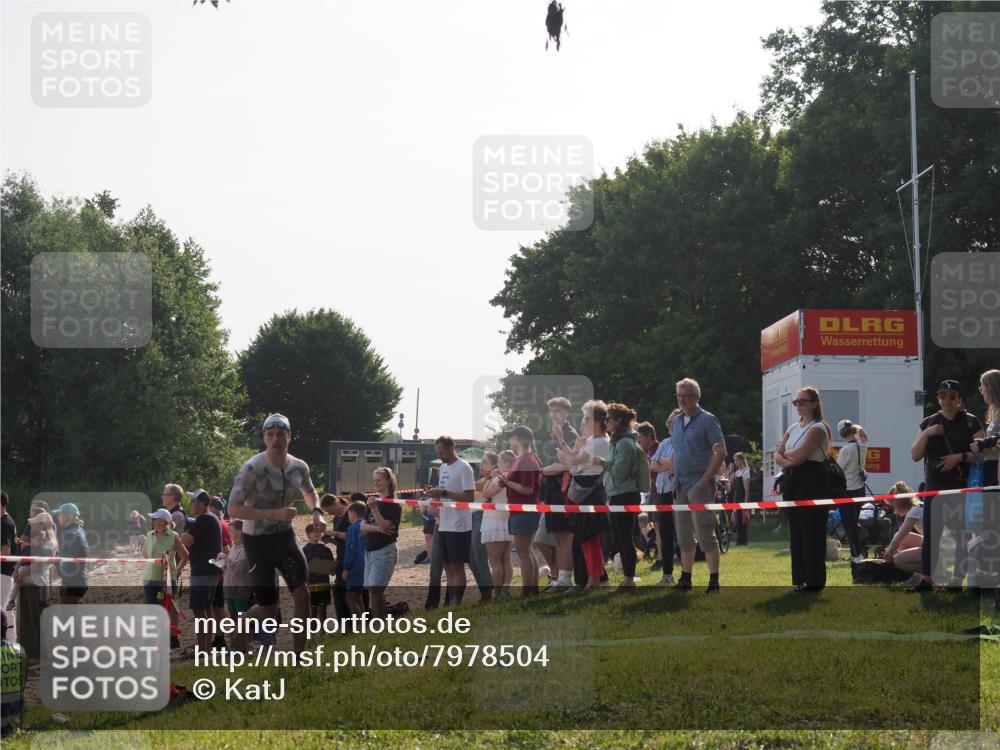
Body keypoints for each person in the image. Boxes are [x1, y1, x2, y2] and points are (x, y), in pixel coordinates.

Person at [228, 413, 320, 653]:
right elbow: (233, 509)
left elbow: (310, 492)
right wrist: (273, 514)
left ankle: (299, 658)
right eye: (270, 435)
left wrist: (317, 512)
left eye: (280, 434)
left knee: (303, 594)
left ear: (290, 437)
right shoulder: (252, 468)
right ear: (264, 438)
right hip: (257, 541)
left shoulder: (299, 467)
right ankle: (242, 626)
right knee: (269, 610)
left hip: (285, 537)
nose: (276, 439)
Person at [909, 380, 985, 592]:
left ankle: (956, 581)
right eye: (943, 395)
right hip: (934, 486)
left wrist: (959, 457)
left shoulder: (970, 422)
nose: (947, 400)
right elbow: (915, 455)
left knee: (962, 535)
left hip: (961, 486)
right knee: (931, 534)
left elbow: (984, 454)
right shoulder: (928, 423)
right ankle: (927, 579)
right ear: (938, 399)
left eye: (952, 396)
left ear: (960, 400)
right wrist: (927, 433)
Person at [775, 386, 833, 593]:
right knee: (797, 533)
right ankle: (800, 581)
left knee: (812, 533)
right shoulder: (793, 428)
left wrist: (788, 455)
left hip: (813, 481)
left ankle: (814, 582)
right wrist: (790, 459)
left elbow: (800, 455)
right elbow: (778, 455)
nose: (798, 405)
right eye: (796, 402)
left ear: (814, 404)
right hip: (793, 480)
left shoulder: (819, 427)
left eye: (803, 401)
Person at [672, 378, 727, 593]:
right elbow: (677, 451)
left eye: (686, 395)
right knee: (683, 533)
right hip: (680, 485)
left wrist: (704, 481)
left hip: (699, 484)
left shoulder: (707, 420)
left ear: (696, 397)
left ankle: (714, 581)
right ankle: (686, 577)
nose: (682, 399)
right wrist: (675, 475)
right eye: (679, 395)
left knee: (705, 532)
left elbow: (721, 452)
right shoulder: (676, 421)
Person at [558, 399, 611, 593]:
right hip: (583, 492)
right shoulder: (591, 441)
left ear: (599, 421)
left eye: (587, 419)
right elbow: (571, 463)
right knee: (582, 539)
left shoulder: (601, 442)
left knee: (589, 539)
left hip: (591, 493)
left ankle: (593, 582)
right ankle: (591, 580)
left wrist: (561, 440)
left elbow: (571, 461)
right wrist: (574, 449)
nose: (583, 423)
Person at [424, 437, 477, 606]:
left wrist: (445, 493)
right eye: (438, 453)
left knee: (457, 565)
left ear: (452, 448)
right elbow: (444, 492)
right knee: (447, 566)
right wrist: (436, 494)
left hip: (459, 523)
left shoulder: (464, 467)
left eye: (442, 453)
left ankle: (456, 602)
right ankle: (451, 602)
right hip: (443, 522)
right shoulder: (443, 467)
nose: (440, 456)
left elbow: (469, 497)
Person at [599, 403, 643, 590]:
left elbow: (619, 472)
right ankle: (628, 578)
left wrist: (601, 462)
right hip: (617, 495)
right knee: (619, 539)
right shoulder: (618, 441)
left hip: (625, 495)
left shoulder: (625, 443)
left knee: (625, 539)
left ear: (618, 421)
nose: (605, 422)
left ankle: (629, 579)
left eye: (608, 418)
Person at [541, 396, 579, 593]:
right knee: (557, 537)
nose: (554, 414)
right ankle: (561, 578)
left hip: (563, 492)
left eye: (558, 411)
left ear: (567, 413)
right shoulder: (553, 435)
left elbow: (568, 464)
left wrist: (544, 470)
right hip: (552, 491)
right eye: (551, 411)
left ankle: (565, 579)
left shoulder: (570, 434)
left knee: (565, 537)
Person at [180, 490, 224, 655]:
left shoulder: (204, 519)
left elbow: (185, 540)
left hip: (203, 571)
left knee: (200, 611)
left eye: (192, 501)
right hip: (209, 570)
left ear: (201, 504)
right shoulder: (209, 518)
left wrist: (180, 534)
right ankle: (206, 649)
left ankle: (203, 650)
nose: (190, 504)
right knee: (206, 610)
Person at [501, 426, 543, 596]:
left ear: (521, 439)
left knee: (523, 553)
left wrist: (507, 482)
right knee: (527, 552)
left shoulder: (526, 460)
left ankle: (527, 591)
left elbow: (527, 489)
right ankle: (532, 589)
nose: (510, 441)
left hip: (524, 510)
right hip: (523, 510)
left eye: (512, 437)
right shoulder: (525, 459)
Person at [971, 369, 1000, 594]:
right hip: (989, 471)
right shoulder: (995, 413)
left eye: (983, 385)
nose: (980, 390)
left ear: (992, 387)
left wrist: (985, 444)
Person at [14, 512, 57, 661]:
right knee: (26, 621)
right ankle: (29, 653)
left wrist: (20, 574)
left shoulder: (48, 543)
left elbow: (38, 566)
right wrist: (17, 572)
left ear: (42, 525)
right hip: (27, 584)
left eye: (35, 523)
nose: (31, 526)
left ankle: (38, 654)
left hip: (35, 586)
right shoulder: (39, 541)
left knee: (34, 621)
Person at [143, 508, 187, 649]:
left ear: (164, 521)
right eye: (154, 519)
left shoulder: (173, 535)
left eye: (156, 519)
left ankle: (173, 637)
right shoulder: (149, 535)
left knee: (170, 607)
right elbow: (144, 554)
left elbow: (185, 555)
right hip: (150, 578)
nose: (154, 521)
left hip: (167, 579)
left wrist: (176, 572)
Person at [361, 467, 402, 618]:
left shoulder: (393, 503)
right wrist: (378, 528)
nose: (375, 483)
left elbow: (386, 526)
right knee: (375, 590)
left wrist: (374, 510)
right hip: (370, 550)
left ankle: (378, 623)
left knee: (376, 589)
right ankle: (382, 622)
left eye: (379, 480)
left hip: (384, 549)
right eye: (374, 480)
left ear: (388, 481)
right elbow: (363, 527)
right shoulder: (375, 500)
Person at [650, 409, 682, 585]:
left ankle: (686, 573)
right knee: (665, 533)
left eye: (672, 422)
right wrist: (668, 464)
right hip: (662, 493)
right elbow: (653, 465)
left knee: (683, 533)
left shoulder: (684, 442)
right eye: (668, 423)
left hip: (677, 491)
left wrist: (664, 462)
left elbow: (678, 464)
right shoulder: (665, 443)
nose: (669, 425)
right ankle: (667, 574)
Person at [480, 451, 513, 600]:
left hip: (494, 520)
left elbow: (486, 493)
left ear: (506, 463)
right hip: (505, 519)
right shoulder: (511, 477)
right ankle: (505, 590)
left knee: (495, 562)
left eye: (499, 462)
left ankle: (498, 593)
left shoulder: (500, 478)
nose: (497, 465)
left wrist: (490, 478)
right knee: (506, 559)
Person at [835, 419, 869, 562]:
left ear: (841, 434)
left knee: (849, 525)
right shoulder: (862, 445)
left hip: (847, 491)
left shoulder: (845, 450)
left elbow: (837, 470)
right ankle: (861, 552)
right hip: (860, 489)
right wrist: (859, 428)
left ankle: (856, 555)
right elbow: (864, 435)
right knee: (854, 523)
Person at [319, 493, 354, 623]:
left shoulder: (351, 514)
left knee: (351, 592)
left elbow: (353, 536)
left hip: (351, 556)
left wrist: (334, 533)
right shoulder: (336, 519)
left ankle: (355, 621)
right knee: (339, 589)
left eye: (329, 510)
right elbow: (340, 541)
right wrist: (330, 540)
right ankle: (345, 621)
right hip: (341, 556)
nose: (329, 513)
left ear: (335, 504)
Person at [636, 421, 664, 569]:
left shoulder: (659, 448)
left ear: (648, 436)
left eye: (639, 437)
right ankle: (658, 555)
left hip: (660, 491)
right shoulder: (648, 451)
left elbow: (654, 471)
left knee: (659, 526)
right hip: (653, 492)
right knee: (654, 525)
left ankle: (661, 558)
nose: (638, 440)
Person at [882, 482, 923, 575]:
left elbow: (899, 537)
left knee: (898, 559)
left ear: (897, 504)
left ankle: (936, 572)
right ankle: (909, 573)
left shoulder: (914, 512)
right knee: (903, 539)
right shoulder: (918, 506)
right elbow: (900, 537)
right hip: (940, 544)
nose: (894, 510)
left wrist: (889, 552)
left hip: (940, 549)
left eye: (893, 507)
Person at [52, 503, 88, 604]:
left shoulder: (70, 534)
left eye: (60, 514)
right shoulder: (78, 530)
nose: (58, 517)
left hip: (72, 582)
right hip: (78, 580)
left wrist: (65, 583)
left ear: (68, 516)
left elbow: (69, 563)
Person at [303, 522, 333, 620]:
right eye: (313, 531)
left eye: (319, 531)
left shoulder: (326, 549)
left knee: (322, 608)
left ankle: (323, 629)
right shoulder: (304, 550)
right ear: (308, 534)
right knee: (313, 609)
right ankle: (313, 628)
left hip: (323, 582)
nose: (317, 533)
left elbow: (331, 569)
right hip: (310, 583)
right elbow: (303, 568)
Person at [342, 500, 367, 616]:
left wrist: (346, 568)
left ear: (353, 513)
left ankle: (359, 623)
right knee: (358, 596)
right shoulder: (366, 526)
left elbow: (351, 548)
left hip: (355, 566)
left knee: (349, 598)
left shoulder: (353, 528)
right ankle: (365, 622)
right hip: (366, 564)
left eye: (348, 513)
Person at [729, 453, 751, 546]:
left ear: (741, 460)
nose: (736, 462)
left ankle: (743, 540)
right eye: (735, 460)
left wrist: (745, 501)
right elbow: (731, 484)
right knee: (737, 519)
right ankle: (739, 539)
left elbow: (746, 489)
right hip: (736, 497)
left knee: (743, 519)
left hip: (742, 497)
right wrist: (731, 473)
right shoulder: (736, 472)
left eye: (737, 460)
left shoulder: (745, 472)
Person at [1, 492, 16, 611]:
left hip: (3, 573)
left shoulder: (4, 523)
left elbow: (6, 552)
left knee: (3, 610)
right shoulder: (6, 521)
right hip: (5, 573)